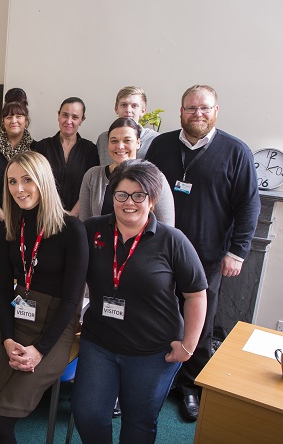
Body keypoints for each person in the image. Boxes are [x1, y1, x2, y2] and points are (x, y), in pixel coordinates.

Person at [145, 84, 260, 421]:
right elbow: (144, 192)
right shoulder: (161, 146)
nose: (197, 114)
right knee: (158, 314)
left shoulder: (236, 151)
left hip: (207, 256)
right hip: (160, 252)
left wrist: (237, 252)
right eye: (191, 108)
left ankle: (191, 386)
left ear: (215, 112)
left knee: (201, 322)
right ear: (180, 111)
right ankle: (151, 377)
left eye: (204, 108)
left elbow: (248, 207)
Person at [72, 159, 207, 443]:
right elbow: (70, 277)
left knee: (139, 423)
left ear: (153, 199)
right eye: (121, 194)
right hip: (100, 343)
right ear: (112, 196)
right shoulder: (92, 230)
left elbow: (195, 294)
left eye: (138, 195)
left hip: (154, 351)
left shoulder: (173, 240)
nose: (128, 202)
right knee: (88, 415)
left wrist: (189, 345)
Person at [0, 151, 88, 444]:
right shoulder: (10, 226)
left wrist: (39, 350)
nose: (18, 189)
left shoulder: (72, 229)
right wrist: (7, 339)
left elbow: (72, 300)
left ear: (43, 181)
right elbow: (6, 290)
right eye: (11, 182)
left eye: (27, 180)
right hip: (13, 320)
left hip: (53, 331)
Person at [79, 117, 174, 225]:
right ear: (108, 144)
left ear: (138, 143)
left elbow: (167, 228)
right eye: (114, 141)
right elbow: (85, 225)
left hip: (145, 242)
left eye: (127, 140)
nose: (120, 146)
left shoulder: (156, 178)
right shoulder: (92, 176)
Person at [36, 97, 98, 216]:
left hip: (78, 218)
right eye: (65, 115)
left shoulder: (90, 149)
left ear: (82, 120)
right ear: (58, 115)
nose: (69, 121)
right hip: (46, 216)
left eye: (75, 117)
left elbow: (91, 187)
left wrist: (72, 216)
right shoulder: (42, 147)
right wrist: (52, 213)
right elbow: (36, 184)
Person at [96, 86, 159, 165]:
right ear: (116, 109)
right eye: (124, 105)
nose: (128, 110)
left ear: (143, 111)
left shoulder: (155, 139)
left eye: (134, 106)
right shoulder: (103, 139)